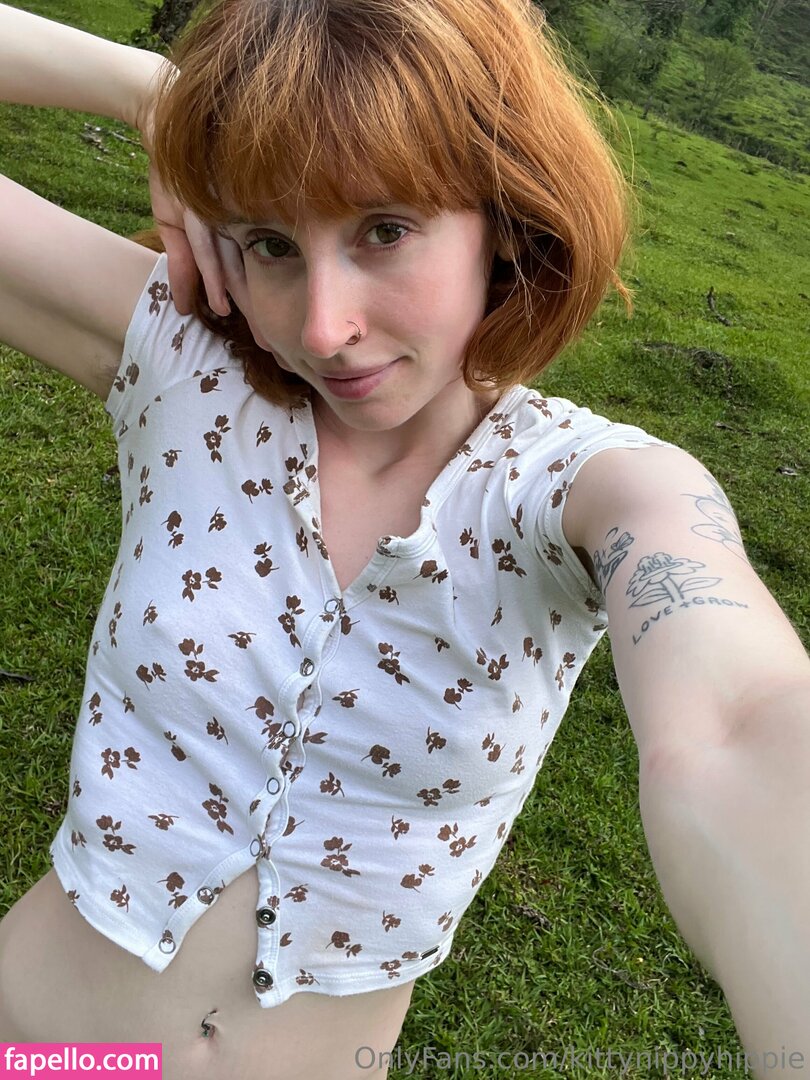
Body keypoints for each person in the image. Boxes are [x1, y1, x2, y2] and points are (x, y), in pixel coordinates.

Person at [1, 1, 809, 1078]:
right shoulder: (176, 363)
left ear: (505, 216)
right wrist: (154, 95)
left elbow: (741, 722)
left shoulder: (587, 490)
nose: (323, 325)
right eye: (271, 245)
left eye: (383, 229)